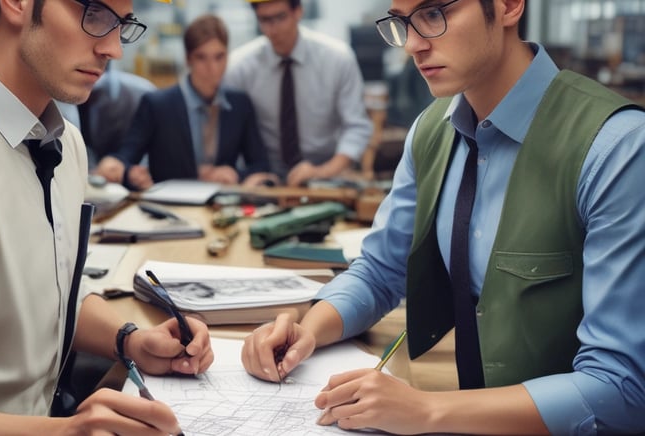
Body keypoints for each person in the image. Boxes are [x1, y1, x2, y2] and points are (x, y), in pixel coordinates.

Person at [241, 0, 645, 434]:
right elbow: (380, 271)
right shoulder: (432, 130)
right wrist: (308, 331)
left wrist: (427, 410)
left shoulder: (617, 148)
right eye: (402, 22)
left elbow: (621, 390)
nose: (413, 44)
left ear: (508, 6)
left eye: (434, 14)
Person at [0, 0, 213, 434]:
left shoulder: (65, 143)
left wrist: (129, 339)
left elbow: (54, 286)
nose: (114, 49)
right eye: (94, 14)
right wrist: (68, 432)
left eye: (123, 24)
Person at [95, 14, 276, 191]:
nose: (212, 68)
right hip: (169, 206)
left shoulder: (240, 104)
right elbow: (126, 157)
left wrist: (236, 174)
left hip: (221, 203)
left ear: (228, 56)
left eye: (219, 57)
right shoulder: (157, 104)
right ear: (189, 59)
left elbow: (260, 165)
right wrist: (126, 172)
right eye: (201, 57)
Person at [224, 0, 373, 187]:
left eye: (280, 17)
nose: (273, 29)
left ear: (298, 12)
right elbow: (231, 134)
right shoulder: (240, 67)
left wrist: (323, 171)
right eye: (264, 20)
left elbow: (356, 127)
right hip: (266, 178)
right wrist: (247, 174)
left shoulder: (337, 59)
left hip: (324, 175)